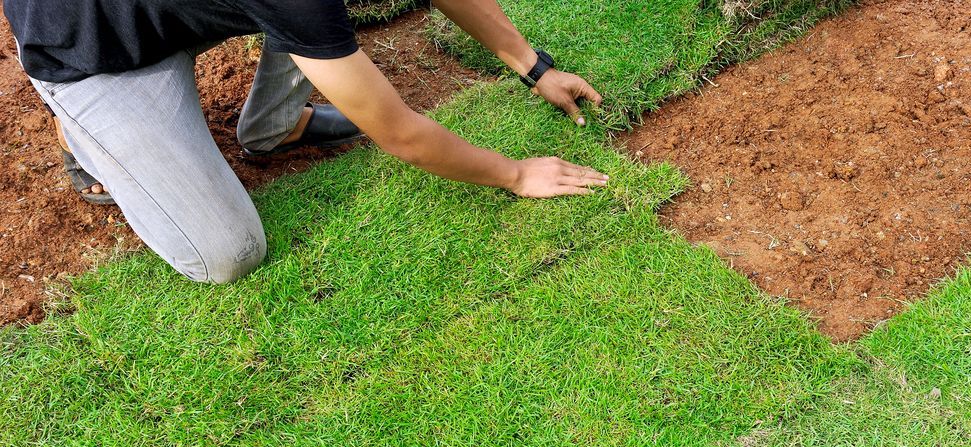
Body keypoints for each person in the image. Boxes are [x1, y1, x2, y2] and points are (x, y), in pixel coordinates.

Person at [4, 1, 608, 284]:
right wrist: (515, 174)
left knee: (314, 22)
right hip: (90, 48)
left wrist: (534, 66)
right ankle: (78, 128)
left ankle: (273, 127)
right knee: (225, 256)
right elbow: (400, 133)